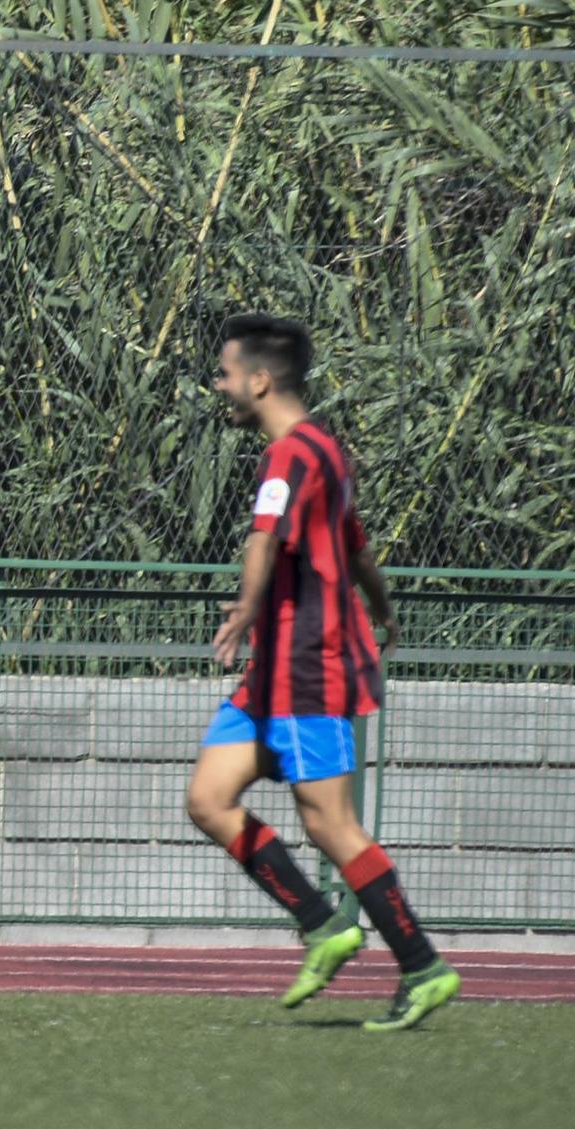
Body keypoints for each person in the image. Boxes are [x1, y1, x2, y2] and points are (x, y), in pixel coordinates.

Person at [186, 313, 460, 1031]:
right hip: (270, 676)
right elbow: (357, 546)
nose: (221, 387)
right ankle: (320, 922)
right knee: (210, 799)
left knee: (332, 826)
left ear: (260, 379)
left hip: (307, 669)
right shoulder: (328, 453)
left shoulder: (288, 456)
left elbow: (263, 535)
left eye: (225, 374)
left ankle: (422, 964)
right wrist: (384, 607)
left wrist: (245, 607)